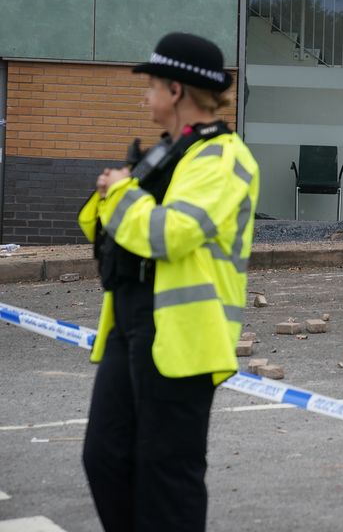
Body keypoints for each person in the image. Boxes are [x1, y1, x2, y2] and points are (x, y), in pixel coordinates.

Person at [78, 32, 260, 531]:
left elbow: (169, 234)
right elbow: (100, 228)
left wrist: (120, 197)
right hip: (131, 323)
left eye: (153, 84)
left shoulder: (223, 158)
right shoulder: (168, 153)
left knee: (166, 476)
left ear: (176, 91)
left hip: (184, 336)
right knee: (105, 457)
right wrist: (108, 195)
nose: (145, 95)